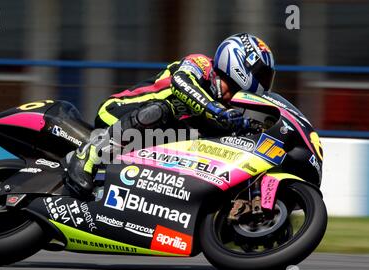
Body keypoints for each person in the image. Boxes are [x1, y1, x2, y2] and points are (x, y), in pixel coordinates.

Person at [65, 32, 275, 198]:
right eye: (261, 74)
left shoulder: (225, 107)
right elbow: (181, 83)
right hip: (119, 111)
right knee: (164, 109)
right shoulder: (202, 64)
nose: (264, 82)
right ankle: (89, 153)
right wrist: (217, 111)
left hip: (150, 138)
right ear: (241, 60)